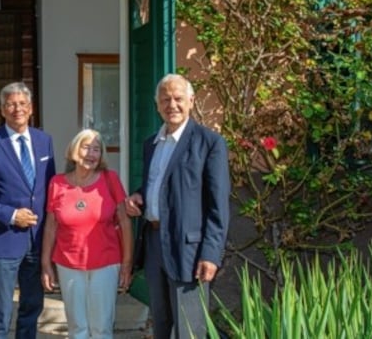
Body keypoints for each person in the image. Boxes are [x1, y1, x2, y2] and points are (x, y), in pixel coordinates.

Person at [124, 74, 231, 339]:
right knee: (161, 323)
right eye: (165, 99)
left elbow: (218, 205)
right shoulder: (151, 143)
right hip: (153, 242)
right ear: (157, 105)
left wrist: (211, 253)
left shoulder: (209, 143)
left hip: (189, 250)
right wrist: (138, 196)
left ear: (191, 101)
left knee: (189, 327)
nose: (172, 104)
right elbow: (158, 185)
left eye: (178, 98)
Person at [0, 81, 56, 339]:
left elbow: (51, 189)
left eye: (23, 104)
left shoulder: (44, 141)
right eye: (11, 104)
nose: (18, 109)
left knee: (32, 307)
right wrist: (12, 215)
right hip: (5, 240)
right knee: (1, 311)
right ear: (2, 110)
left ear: (31, 108)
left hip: (38, 240)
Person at [40, 129, 133, 339]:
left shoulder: (110, 179)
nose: (91, 154)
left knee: (101, 327)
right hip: (68, 262)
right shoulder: (58, 183)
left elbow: (125, 223)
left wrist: (127, 263)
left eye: (96, 149)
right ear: (74, 150)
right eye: (86, 147)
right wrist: (46, 263)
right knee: (77, 327)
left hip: (106, 262)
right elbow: (50, 226)